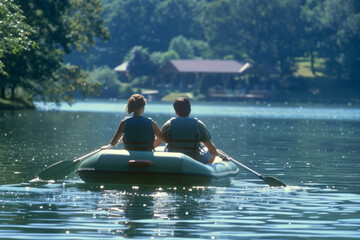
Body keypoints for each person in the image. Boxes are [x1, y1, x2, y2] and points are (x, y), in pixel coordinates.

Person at [154, 97, 219, 164]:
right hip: (195, 161)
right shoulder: (199, 125)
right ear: (190, 110)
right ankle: (206, 168)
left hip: (173, 160)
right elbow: (211, 148)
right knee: (212, 151)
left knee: (166, 146)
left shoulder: (169, 124)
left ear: (176, 111)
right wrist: (217, 154)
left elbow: (155, 143)